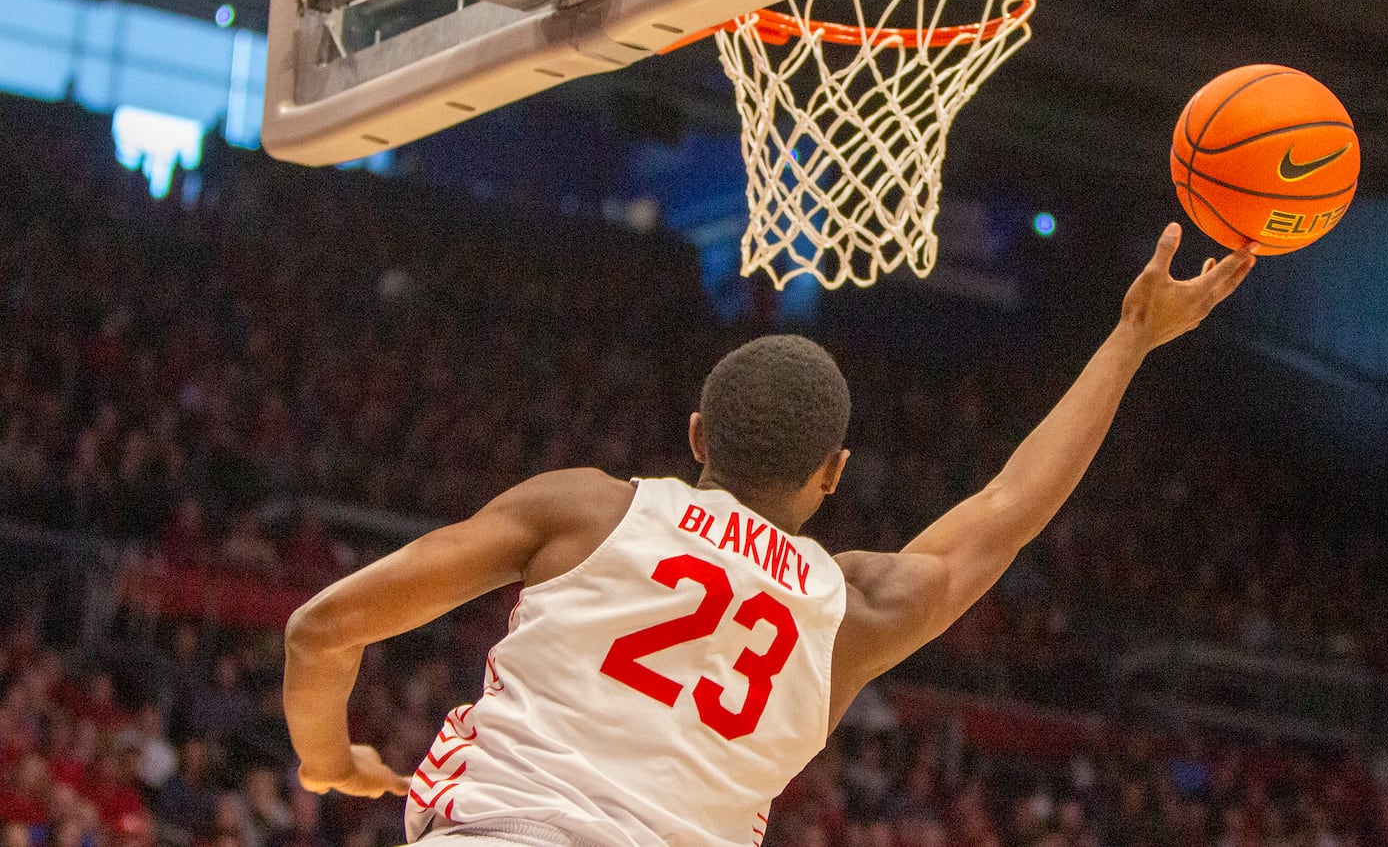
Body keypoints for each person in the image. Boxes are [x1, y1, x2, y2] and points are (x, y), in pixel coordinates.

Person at [282, 224, 1255, 846]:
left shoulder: (583, 509)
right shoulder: (852, 609)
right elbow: (1004, 513)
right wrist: (1130, 339)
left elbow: (320, 631)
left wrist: (327, 757)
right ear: (831, 476)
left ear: (697, 436)